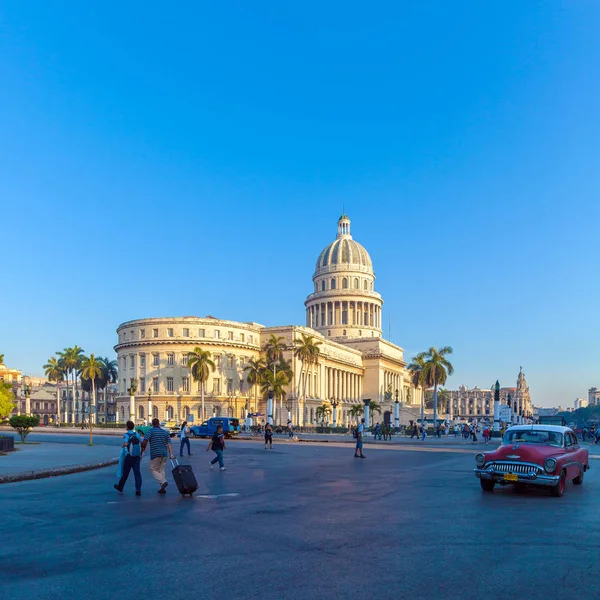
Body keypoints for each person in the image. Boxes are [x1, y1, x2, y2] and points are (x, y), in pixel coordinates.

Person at [145, 418, 175, 493]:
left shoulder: (150, 431)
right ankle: (162, 488)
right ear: (159, 424)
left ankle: (163, 482)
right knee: (161, 469)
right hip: (164, 454)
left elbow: (145, 440)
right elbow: (169, 444)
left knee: (153, 469)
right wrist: (171, 454)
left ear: (152, 424)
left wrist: (142, 450)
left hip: (155, 453)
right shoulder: (165, 432)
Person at [114, 421, 143, 496]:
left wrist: (123, 446)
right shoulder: (136, 434)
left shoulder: (126, 435)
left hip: (129, 456)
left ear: (127, 427)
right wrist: (140, 453)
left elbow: (126, 443)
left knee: (125, 473)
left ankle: (120, 487)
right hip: (136, 456)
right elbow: (141, 442)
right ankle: (138, 490)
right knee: (137, 473)